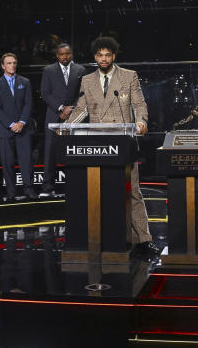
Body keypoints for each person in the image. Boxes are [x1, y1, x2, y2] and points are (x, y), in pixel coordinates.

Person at [68, 36, 160, 259]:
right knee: (99, 193)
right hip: (97, 144)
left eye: (107, 55)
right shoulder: (87, 80)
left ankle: (143, 240)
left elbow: (139, 103)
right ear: (95, 57)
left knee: (133, 192)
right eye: (99, 55)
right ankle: (100, 239)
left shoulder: (128, 76)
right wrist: (66, 127)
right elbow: (82, 108)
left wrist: (142, 122)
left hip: (124, 142)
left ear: (114, 56)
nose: (103, 59)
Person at [39, 43, 85, 198]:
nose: (65, 57)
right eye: (61, 54)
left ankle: (74, 186)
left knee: (73, 151)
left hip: (74, 116)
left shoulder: (80, 70)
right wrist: (60, 108)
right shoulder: (48, 70)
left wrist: (71, 109)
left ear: (71, 53)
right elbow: (45, 93)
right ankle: (47, 187)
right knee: (50, 152)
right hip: (53, 115)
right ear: (57, 55)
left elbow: (82, 94)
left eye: (67, 53)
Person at [0, 53, 36, 201]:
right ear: (3, 66)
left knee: (26, 161)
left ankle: (29, 189)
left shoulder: (25, 82)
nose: (12, 65)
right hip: (5, 130)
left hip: (23, 129)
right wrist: (11, 125)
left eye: (14, 63)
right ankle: (11, 192)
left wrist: (22, 122)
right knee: (7, 162)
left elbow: (28, 104)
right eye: (9, 63)